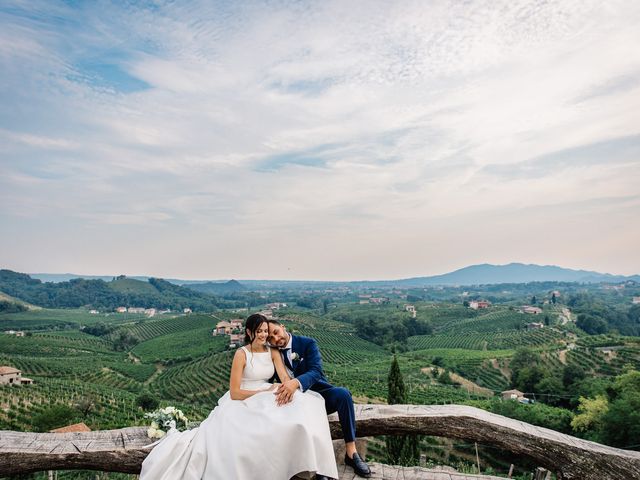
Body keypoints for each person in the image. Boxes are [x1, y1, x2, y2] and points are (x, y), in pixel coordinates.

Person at [139, 314, 339, 480]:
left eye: (265, 332)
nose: (263, 335)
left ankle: (312, 466)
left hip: (268, 391)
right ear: (250, 332)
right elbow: (235, 392)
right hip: (244, 397)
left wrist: (286, 388)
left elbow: (285, 377)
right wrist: (262, 392)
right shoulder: (241, 354)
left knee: (305, 406)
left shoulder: (273, 351)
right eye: (259, 331)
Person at [267, 319, 372, 478]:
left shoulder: (307, 343)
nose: (276, 339)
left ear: (283, 327)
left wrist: (296, 382)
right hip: (292, 404)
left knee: (343, 394)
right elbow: (268, 379)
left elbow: (316, 371)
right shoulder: (272, 354)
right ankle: (318, 466)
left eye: (276, 332)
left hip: (319, 395)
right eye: (270, 339)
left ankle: (351, 453)